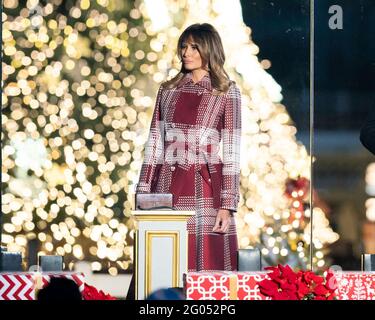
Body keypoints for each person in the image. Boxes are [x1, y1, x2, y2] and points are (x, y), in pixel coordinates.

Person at [136, 23, 241, 271]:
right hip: (167, 185)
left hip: (205, 188)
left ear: (210, 50)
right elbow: (154, 145)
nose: (186, 52)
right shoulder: (168, 90)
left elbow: (232, 152)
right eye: (184, 46)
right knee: (164, 263)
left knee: (205, 267)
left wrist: (227, 204)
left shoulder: (226, 91)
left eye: (194, 47)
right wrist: (143, 192)